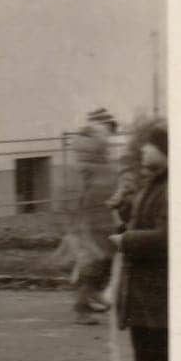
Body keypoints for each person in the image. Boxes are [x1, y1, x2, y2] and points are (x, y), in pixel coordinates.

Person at [112, 120, 168, 361]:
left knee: (162, 360)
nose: (143, 149)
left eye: (150, 145)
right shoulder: (152, 184)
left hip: (161, 290)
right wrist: (124, 216)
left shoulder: (173, 187)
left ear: (166, 152)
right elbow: (140, 222)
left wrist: (126, 240)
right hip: (146, 292)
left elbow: (168, 238)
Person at [69, 108, 120, 323]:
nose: (110, 136)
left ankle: (92, 296)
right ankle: (82, 307)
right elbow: (85, 190)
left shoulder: (98, 157)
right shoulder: (93, 154)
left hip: (101, 213)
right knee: (93, 259)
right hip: (94, 215)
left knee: (102, 257)